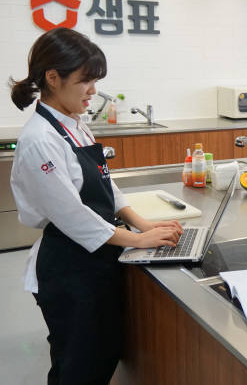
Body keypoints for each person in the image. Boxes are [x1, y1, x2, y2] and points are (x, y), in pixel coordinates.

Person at [9, 27, 183, 384]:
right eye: (85, 82)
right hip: (69, 267)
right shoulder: (39, 140)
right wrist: (136, 240)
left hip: (97, 257)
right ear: (53, 78)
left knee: (101, 353)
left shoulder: (75, 125)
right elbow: (70, 215)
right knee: (78, 365)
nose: (93, 91)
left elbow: (105, 183)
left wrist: (143, 224)